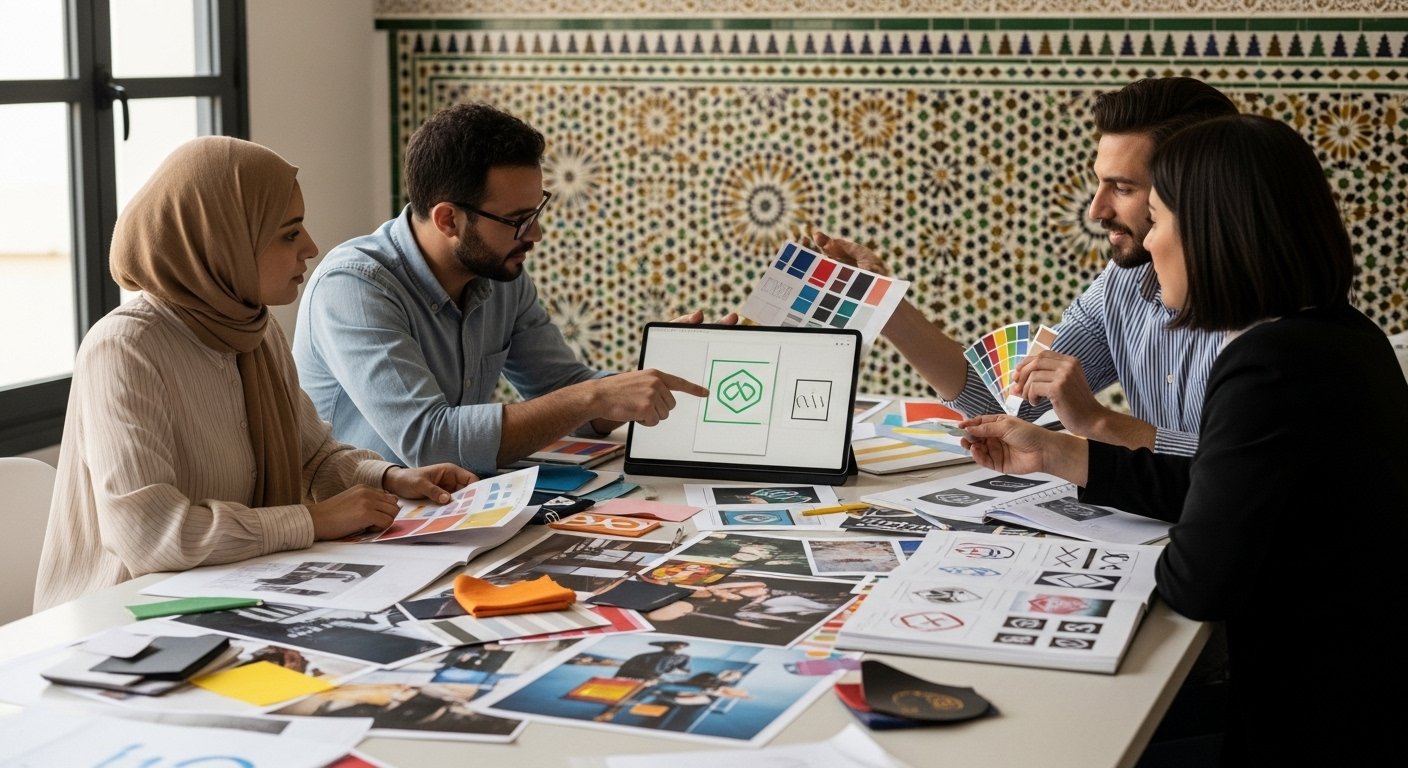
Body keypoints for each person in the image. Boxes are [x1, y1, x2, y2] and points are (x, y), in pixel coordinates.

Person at [958, 114, 1408, 764]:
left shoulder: (1268, 366)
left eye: (1161, 219)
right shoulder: (1339, 336)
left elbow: (1200, 580)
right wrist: (1063, 453)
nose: (1149, 239)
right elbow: (1225, 489)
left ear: (1212, 234)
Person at [34, 137, 475, 611]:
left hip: (229, 593)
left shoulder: (253, 331)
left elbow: (312, 456)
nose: (311, 247)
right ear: (222, 243)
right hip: (121, 620)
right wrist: (311, 521)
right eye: (289, 234)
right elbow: (151, 535)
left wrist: (390, 478)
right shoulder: (125, 348)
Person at [293, 102, 735, 475]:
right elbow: (430, 443)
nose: (536, 233)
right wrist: (595, 395)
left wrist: (651, 377)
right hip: (358, 533)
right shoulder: (354, 287)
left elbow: (562, 388)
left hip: (451, 516)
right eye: (518, 219)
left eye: (538, 210)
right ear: (448, 219)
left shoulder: (500, 276)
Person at [813, 76, 1238, 456]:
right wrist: (882, 301)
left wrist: (1098, 422)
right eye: (1100, 181)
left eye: (1123, 187)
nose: (1095, 210)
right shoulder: (1122, 284)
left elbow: (1254, 471)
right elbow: (1004, 404)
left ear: (1193, 188)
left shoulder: (1269, 319)